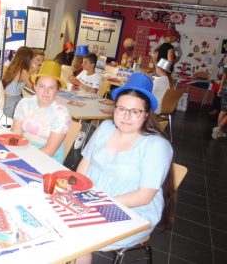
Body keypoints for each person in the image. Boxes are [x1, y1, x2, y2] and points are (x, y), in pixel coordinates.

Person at [75, 73, 174, 263]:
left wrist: (95, 203)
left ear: (146, 114)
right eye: (121, 109)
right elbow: (85, 164)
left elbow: (143, 196)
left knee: (78, 235)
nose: (126, 116)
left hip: (133, 211)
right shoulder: (105, 127)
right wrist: (77, 195)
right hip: (93, 199)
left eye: (135, 111)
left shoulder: (156, 146)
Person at [11, 60, 71, 163]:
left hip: (47, 160)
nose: (45, 92)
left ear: (57, 89)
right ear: (35, 86)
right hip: (23, 150)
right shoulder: (24, 103)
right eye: (41, 86)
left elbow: (50, 150)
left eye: (51, 88)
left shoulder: (61, 113)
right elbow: (16, 133)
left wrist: (22, 159)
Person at [1, 46, 34, 118]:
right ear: (28, 59)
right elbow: (33, 87)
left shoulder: (13, 67)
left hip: (7, 103)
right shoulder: (23, 71)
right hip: (12, 106)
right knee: (35, 112)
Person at [212, 62, 227, 139]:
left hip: (225, 88)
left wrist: (220, 88)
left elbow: (224, 75)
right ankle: (218, 129)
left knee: (223, 111)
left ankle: (218, 132)